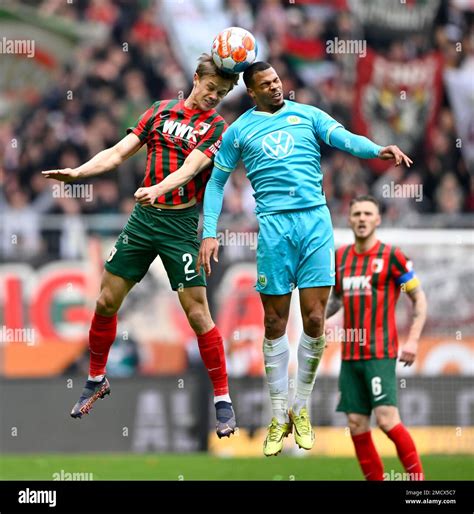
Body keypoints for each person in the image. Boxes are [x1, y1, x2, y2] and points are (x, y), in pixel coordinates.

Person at [195, 61, 413, 456]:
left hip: (314, 223)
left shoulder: (307, 115)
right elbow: (215, 183)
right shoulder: (239, 130)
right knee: (275, 321)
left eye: (277, 80)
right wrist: (209, 232)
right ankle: (279, 414)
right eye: (267, 84)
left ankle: (301, 408)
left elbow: (344, 138)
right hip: (275, 229)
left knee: (315, 319)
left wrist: (376, 149)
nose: (276, 88)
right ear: (253, 91)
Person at [42, 54, 239, 438]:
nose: (215, 97)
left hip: (180, 225)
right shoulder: (159, 112)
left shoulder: (218, 128)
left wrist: (157, 189)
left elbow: (191, 169)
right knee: (105, 301)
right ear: (195, 78)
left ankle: (222, 400)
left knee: (198, 314)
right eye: (211, 88)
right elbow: (118, 152)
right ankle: (97, 377)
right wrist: (79, 172)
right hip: (143, 221)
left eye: (223, 93)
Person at [326, 195, 427, 480]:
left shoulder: (393, 256)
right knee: (356, 423)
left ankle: (418, 485)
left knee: (386, 419)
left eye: (367, 214)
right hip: (350, 356)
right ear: (349, 219)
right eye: (356, 213)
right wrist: (318, 320)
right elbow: (336, 300)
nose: (361, 219)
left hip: (379, 352)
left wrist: (413, 340)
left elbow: (419, 300)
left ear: (378, 219)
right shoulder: (341, 257)